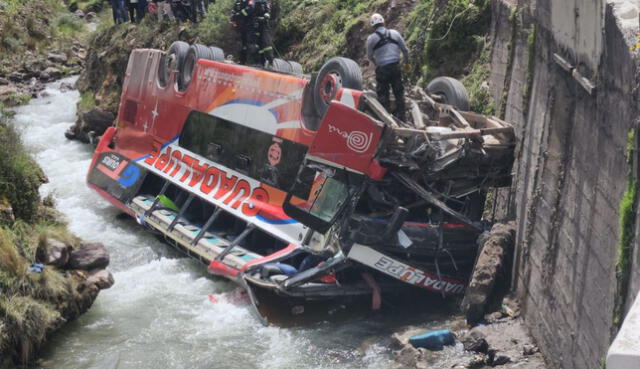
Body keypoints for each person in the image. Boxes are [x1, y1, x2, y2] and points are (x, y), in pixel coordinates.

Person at [365, 13, 409, 121]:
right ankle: (402, 117)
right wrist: (406, 62)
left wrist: (377, 64)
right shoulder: (395, 33)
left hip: (383, 69)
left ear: (372, 27)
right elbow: (405, 50)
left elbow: (370, 56)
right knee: (399, 93)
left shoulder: (371, 39)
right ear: (384, 22)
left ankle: (385, 120)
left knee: (383, 95)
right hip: (395, 66)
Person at [230, 0, 253, 64]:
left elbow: (249, 10)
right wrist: (232, 19)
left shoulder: (249, 1)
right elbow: (233, 11)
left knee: (246, 44)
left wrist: (240, 14)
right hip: (239, 26)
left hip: (247, 26)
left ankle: (245, 60)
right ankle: (238, 58)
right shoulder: (237, 2)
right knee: (238, 43)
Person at [253, 0, 274, 66]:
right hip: (256, 27)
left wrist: (264, 17)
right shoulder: (253, 2)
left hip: (264, 26)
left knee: (266, 44)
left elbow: (268, 12)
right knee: (257, 45)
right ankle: (259, 62)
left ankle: (270, 62)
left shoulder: (265, 2)